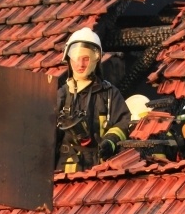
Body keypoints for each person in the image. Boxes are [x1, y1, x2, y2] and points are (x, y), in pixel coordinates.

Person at [56, 27, 131, 173]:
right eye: (77, 58)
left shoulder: (109, 94)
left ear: (96, 60)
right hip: (66, 170)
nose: (80, 64)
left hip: (100, 169)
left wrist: (110, 142)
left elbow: (123, 123)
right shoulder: (61, 95)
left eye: (86, 58)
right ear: (68, 58)